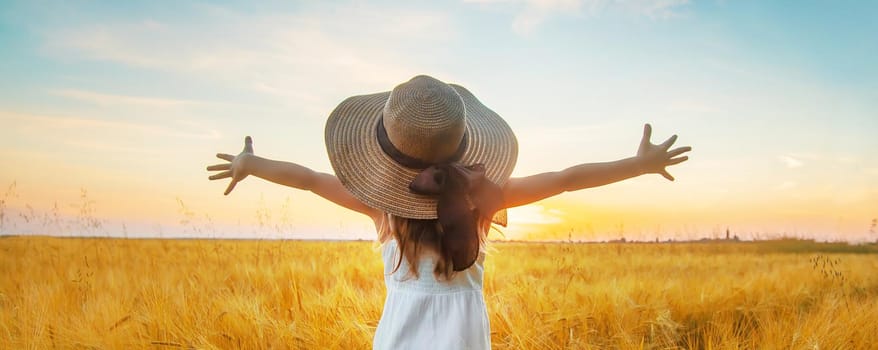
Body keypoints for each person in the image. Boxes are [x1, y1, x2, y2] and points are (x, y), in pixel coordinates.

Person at [207, 75, 691, 349]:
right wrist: (637, 164)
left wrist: (252, 164)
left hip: (399, 337)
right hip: (465, 339)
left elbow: (310, 179)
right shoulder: (483, 202)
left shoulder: (381, 212)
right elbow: (565, 180)